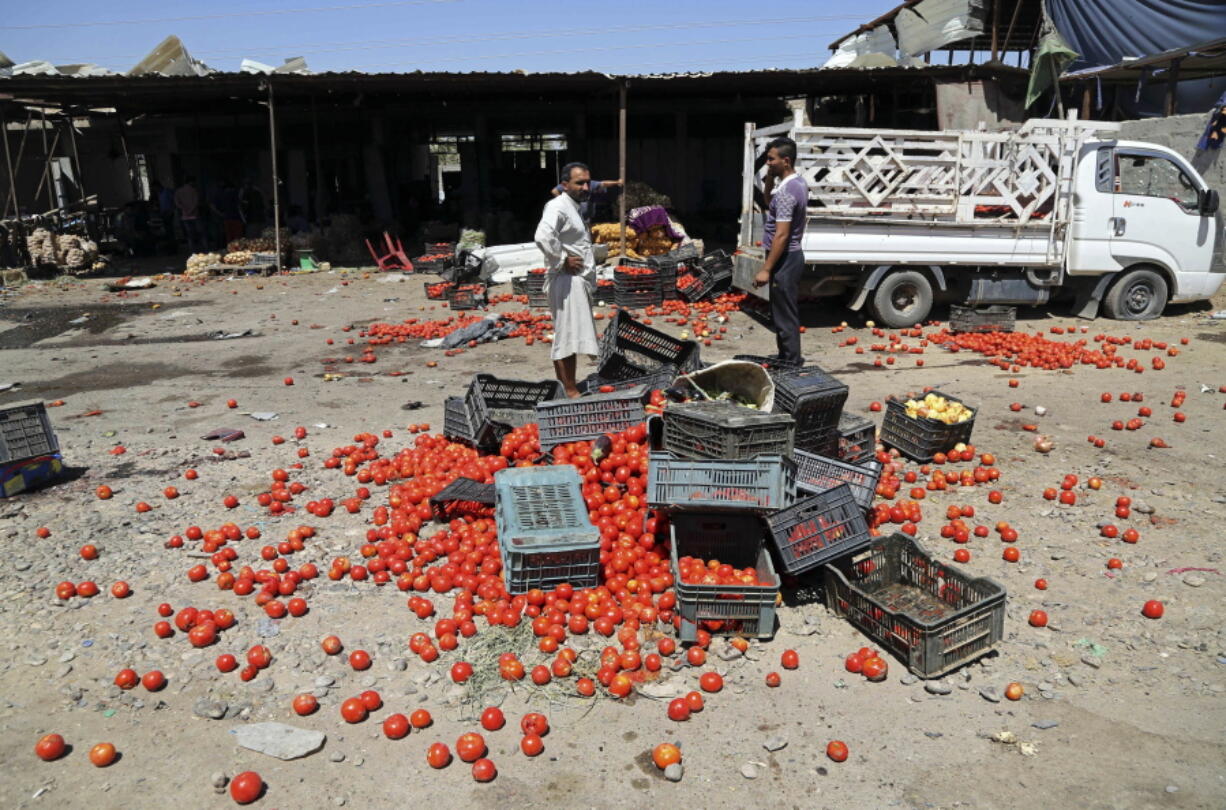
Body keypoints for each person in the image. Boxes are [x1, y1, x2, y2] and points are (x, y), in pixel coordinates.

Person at [535, 162, 600, 398]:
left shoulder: (573, 207)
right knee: (568, 337)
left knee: (568, 334)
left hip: (573, 279)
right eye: (579, 182)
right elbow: (542, 236)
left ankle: (566, 386)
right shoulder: (557, 206)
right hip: (566, 279)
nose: (585, 187)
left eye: (587, 182)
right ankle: (571, 390)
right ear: (564, 185)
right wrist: (562, 259)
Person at [753, 137, 808, 367]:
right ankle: (786, 356)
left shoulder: (787, 192)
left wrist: (766, 269)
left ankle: (792, 363)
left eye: (771, 159)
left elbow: (782, 235)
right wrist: (768, 182)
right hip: (790, 256)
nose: (767, 163)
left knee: (784, 314)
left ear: (785, 161)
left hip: (785, 258)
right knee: (780, 311)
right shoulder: (795, 183)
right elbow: (769, 204)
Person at [550, 173, 621, 226]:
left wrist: (617, 182)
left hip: (586, 218)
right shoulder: (571, 184)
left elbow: (603, 184)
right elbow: (554, 191)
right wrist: (565, 203)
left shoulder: (591, 184)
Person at [175, 176, 206, 253]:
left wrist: (184, 209)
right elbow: (196, 202)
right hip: (195, 215)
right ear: (191, 182)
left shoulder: (179, 191)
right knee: (201, 234)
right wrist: (191, 210)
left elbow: (177, 203)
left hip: (185, 216)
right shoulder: (194, 190)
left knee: (190, 236)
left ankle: (193, 252)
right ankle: (205, 250)